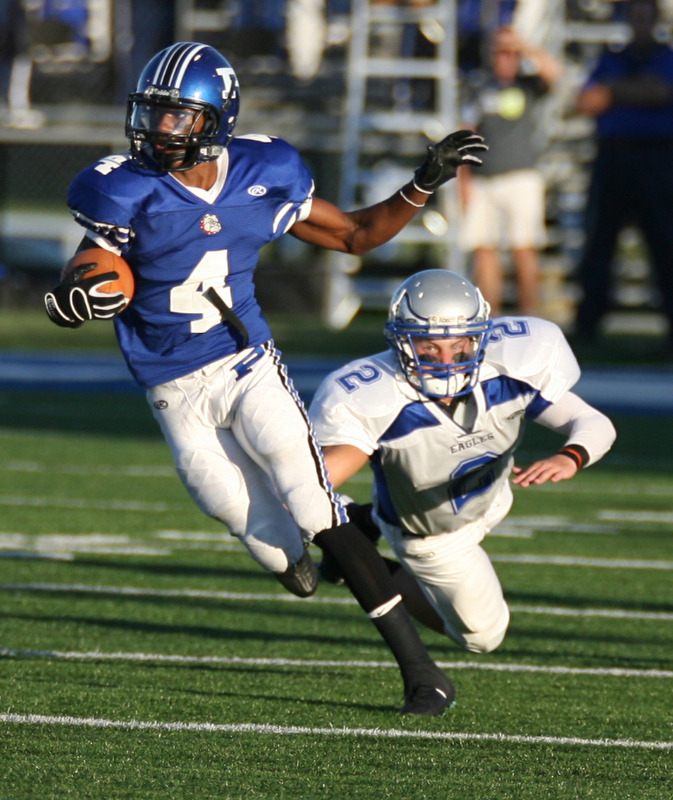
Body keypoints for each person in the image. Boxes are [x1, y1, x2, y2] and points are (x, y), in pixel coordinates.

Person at [42, 42, 487, 715]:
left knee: (312, 505)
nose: (157, 129)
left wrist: (420, 183)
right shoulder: (119, 186)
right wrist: (72, 296)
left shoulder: (266, 169)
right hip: (172, 390)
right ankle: (349, 537)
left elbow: (355, 236)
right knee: (280, 550)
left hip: (249, 366)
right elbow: (92, 264)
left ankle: (421, 672)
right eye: (152, 114)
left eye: (176, 117)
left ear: (214, 119)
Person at [309, 269, 616, 660]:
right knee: (482, 637)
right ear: (401, 342)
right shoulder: (379, 396)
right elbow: (320, 479)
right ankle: (359, 556)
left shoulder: (508, 371)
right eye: (428, 348)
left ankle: (363, 522)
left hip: (494, 496)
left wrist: (570, 456)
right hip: (433, 536)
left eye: (459, 347)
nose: (446, 360)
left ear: (480, 337)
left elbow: (593, 423)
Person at [573, 0, 673, 347]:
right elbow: (586, 100)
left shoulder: (665, 57)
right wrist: (636, 93)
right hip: (614, 156)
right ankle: (588, 325)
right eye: (635, 16)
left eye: (646, 17)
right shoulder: (613, 57)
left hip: (656, 158)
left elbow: (662, 91)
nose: (640, 24)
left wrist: (615, 93)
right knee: (600, 242)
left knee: (665, 244)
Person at [459, 25, 562, 315]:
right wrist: (462, 179)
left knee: (524, 248)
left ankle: (529, 317)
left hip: (521, 176)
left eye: (509, 52)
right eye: (499, 52)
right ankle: (490, 318)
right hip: (483, 178)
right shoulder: (479, 86)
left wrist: (525, 46)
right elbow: (464, 133)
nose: (504, 58)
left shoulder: (529, 85)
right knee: (484, 250)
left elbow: (555, 73)